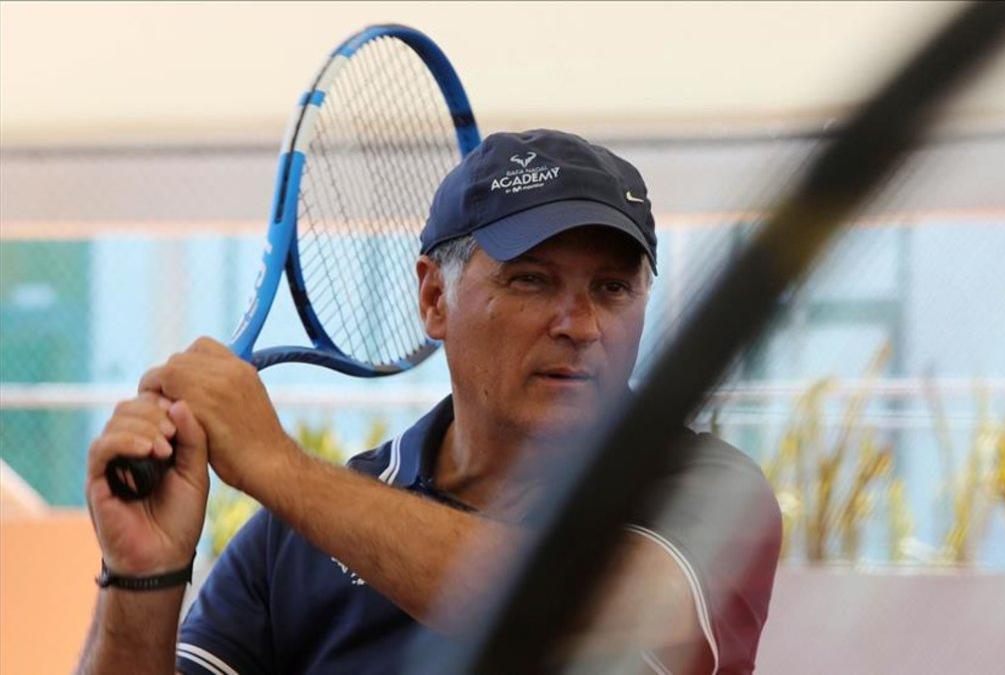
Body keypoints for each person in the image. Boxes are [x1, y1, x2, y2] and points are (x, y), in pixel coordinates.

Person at [78, 129, 782, 674]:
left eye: (613, 288)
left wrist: (274, 463)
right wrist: (143, 576)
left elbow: (569, 603)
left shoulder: (712, 493)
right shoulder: (289, 541)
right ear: (433, 297)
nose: (580, 324)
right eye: (532, 280)